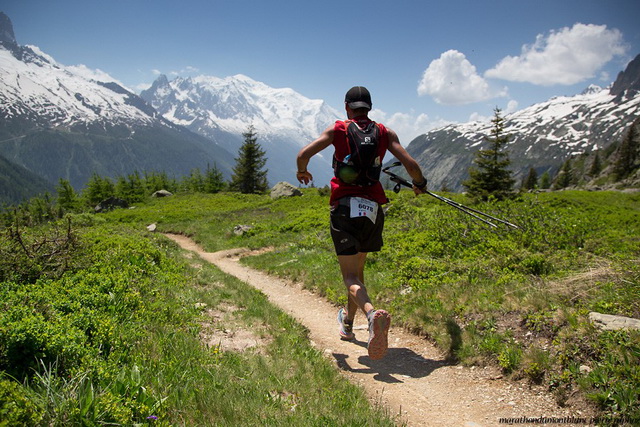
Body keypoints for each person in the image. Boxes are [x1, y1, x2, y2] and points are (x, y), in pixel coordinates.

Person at [296, 86, 427, 360]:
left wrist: (302, 171)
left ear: (347, 107)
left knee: (349, 277)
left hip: (344, 207)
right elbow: (412, 165)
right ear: (369, 107)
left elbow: (303, 154)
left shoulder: (339, 130)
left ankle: (371, 315)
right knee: (358, 273)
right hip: (372, 210)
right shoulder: (384, 132)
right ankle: (347, 325)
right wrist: (419, 183)